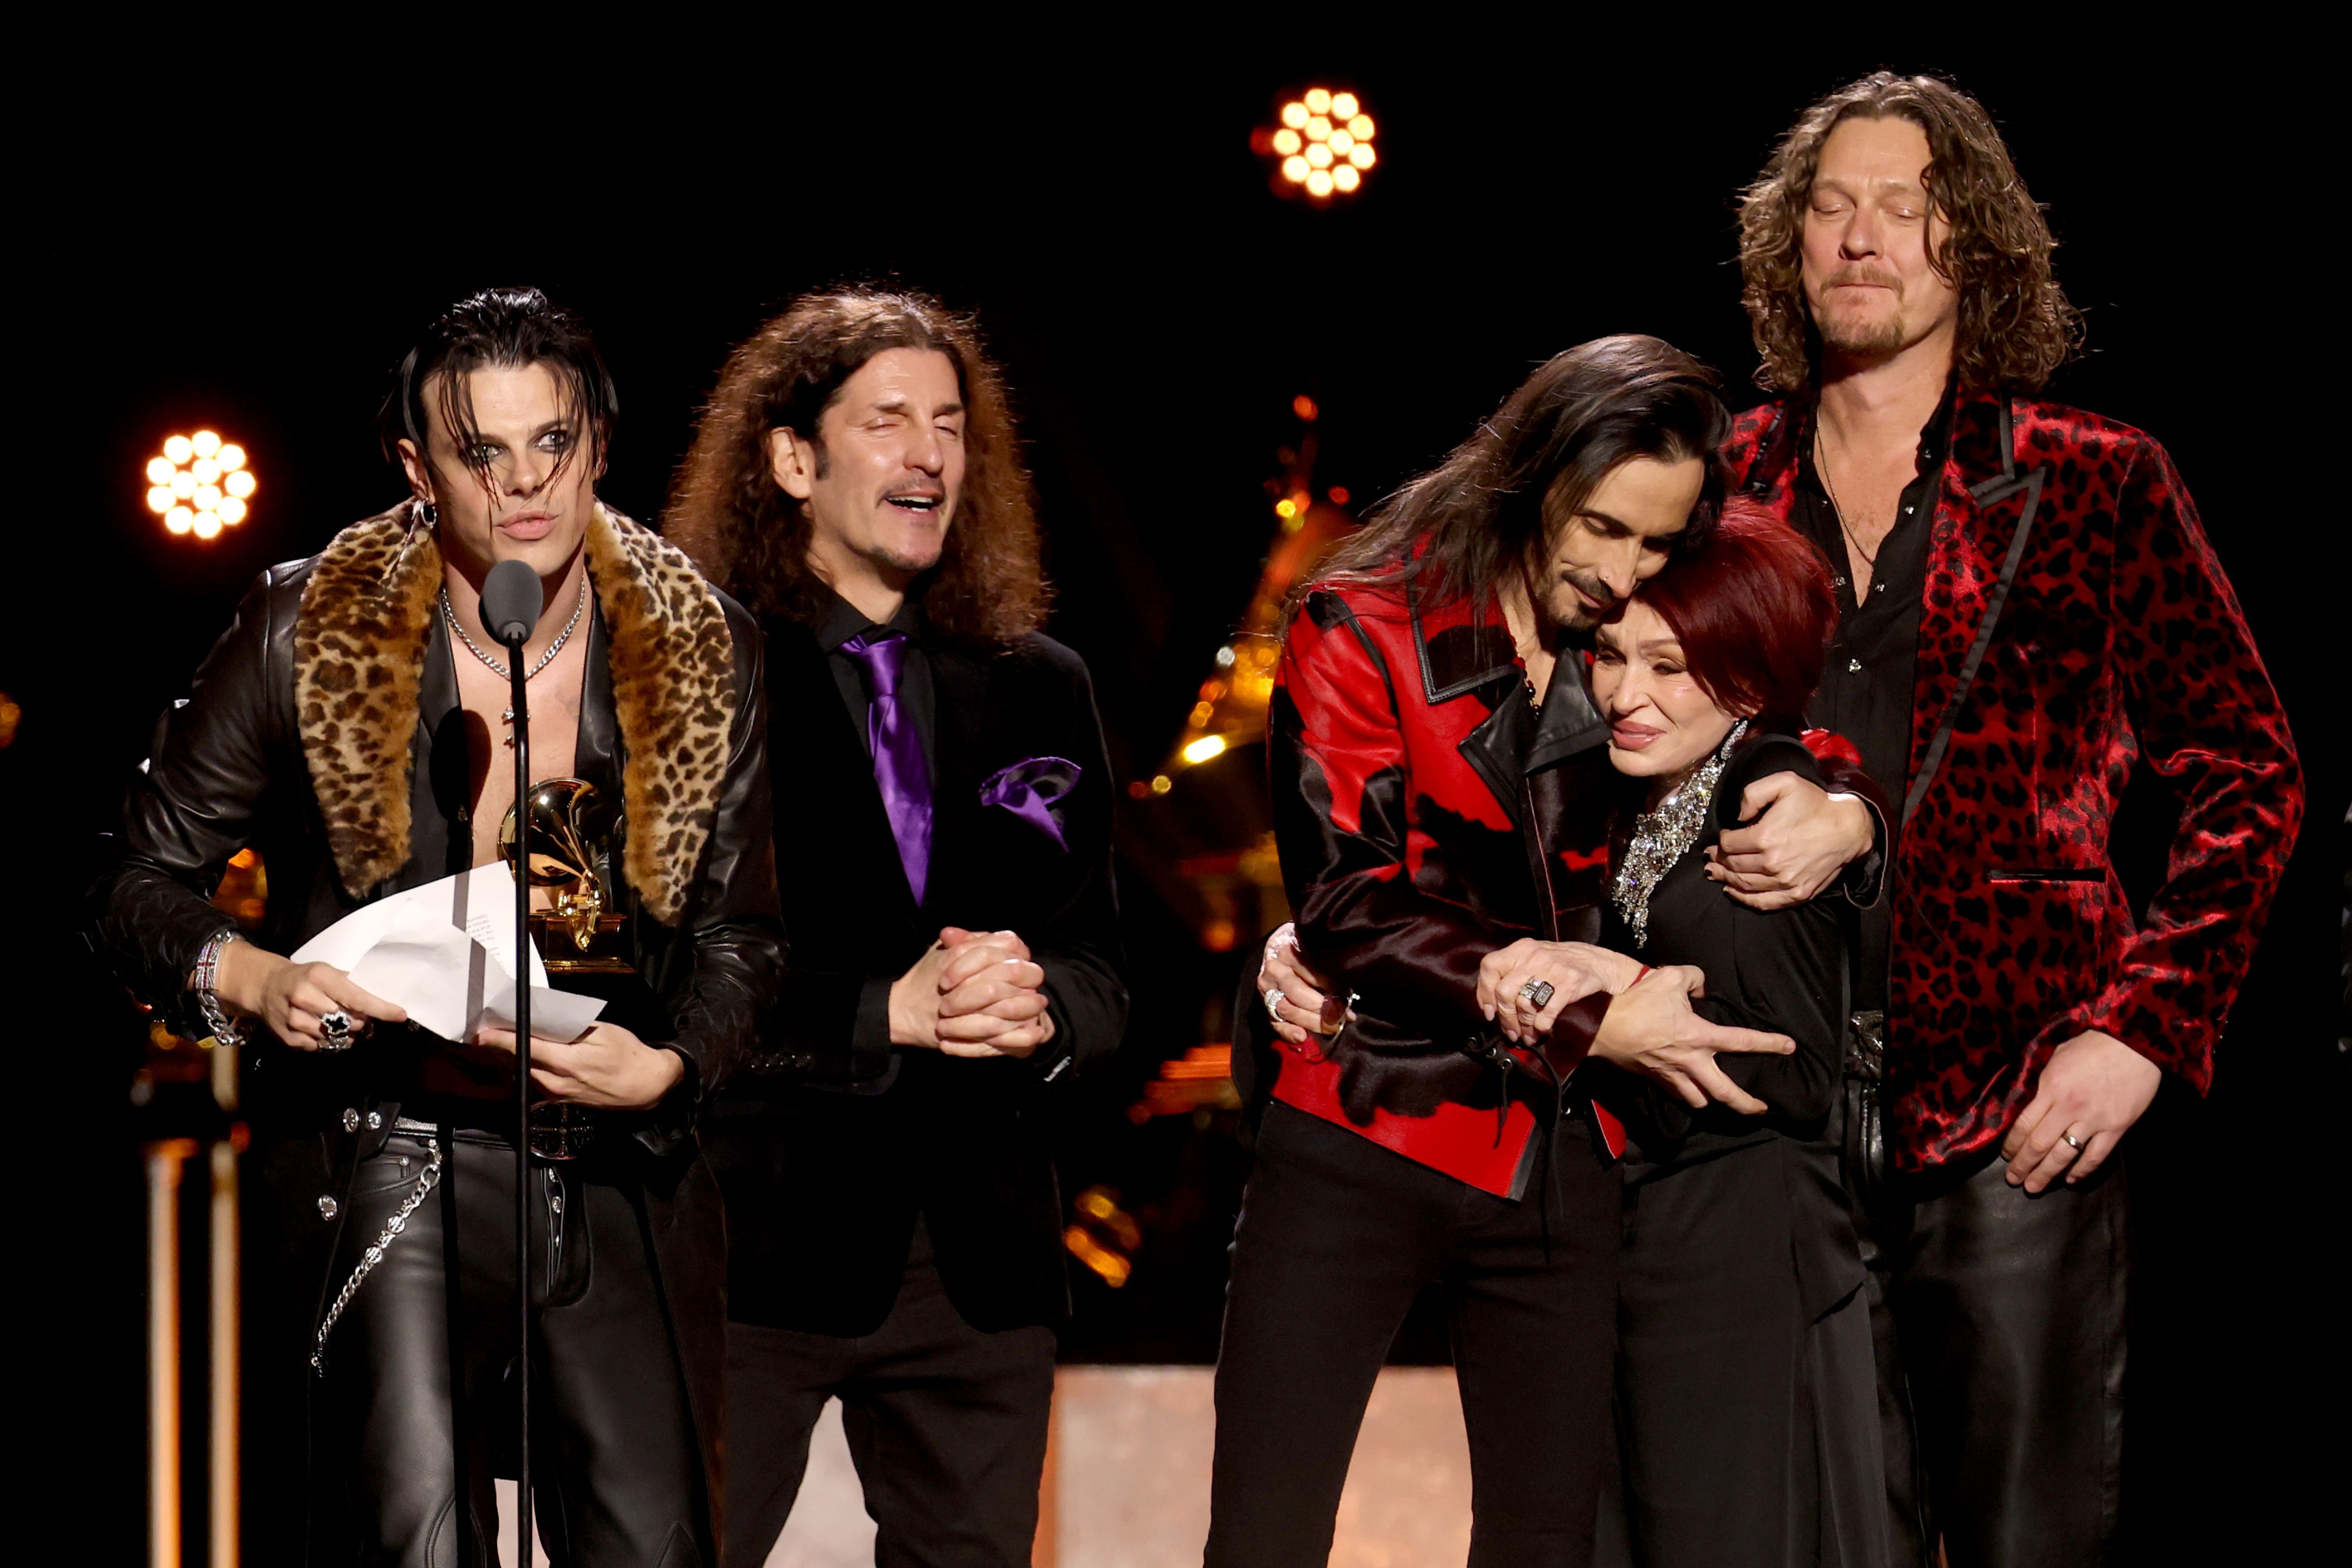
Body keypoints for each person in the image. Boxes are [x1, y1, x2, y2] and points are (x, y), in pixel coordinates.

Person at [87, 287, 782, 1564]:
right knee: (411, 1541)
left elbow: (745, 938)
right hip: (391, 1147)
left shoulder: (698, 642)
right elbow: (132, 876)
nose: (526, 484)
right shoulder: (309, 623)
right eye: (483, 450)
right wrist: (248, 974)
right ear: (418, 465)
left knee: (657, 1539)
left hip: (615, 1155)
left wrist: (671, 1060)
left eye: (553, 442)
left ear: (603, 441)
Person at [1725, 73, 2302, 1564]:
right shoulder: (1722, 485)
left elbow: (2250, 766)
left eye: (1903, 208)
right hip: (1758, 1121)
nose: (1861, 239)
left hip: (2011, 1109)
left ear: (1970, 246)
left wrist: (2145, 1026)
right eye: (1830, 207)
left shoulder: (2093, 478)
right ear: (1789, 247)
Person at [1216, 336, 1886, 1568]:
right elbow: (1350, 897)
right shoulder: (1360, 624)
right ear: (1531, 478)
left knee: (1543, 1539)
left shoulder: (1614, 640)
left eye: (1658, 543)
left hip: (1559, 1156)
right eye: (1605, 529)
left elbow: (1760, 705)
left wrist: (1849, 808)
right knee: (1268, 1530)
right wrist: (1577, 1006)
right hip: (1362, 1124)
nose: (1627, 570)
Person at [666, 287, 1127, 1568]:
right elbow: (656, 984)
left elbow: (1105, 968)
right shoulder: (697, 676)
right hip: (748, 1261)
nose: (930, 453)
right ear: (793, 458)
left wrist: (1040, 1011)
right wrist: (886, 1010)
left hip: (983, 1267)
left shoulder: (1043, 681)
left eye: (949, 423)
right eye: (887, 422)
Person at [1578, 502, 1886, 1567]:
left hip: (1743, 1254)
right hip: (1650, 1246)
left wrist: (1612, 1010)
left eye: (1670, 666)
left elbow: (1793, 1073)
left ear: (1746, 680)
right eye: (1611, 655)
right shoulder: (1632, 803)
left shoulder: (1766, 799)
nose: (1625, 694)